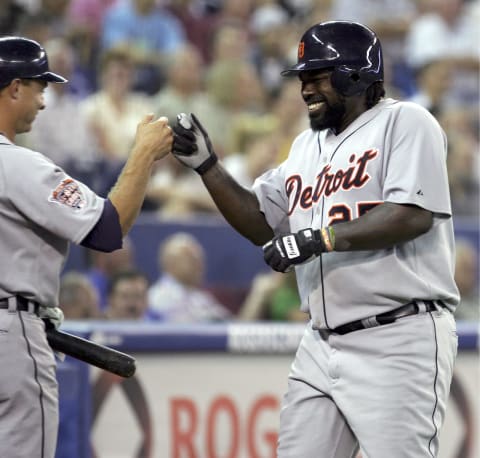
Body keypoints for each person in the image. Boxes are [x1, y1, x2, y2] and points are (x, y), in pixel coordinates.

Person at [172, 21, 459, 457]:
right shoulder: (306, 146)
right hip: (321, 341)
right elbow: (261, 223)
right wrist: (208, 166)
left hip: (397, 335)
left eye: (318, 76)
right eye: (303, 77)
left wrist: (319, 239)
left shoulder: (406, 121)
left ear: (356, 75)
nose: (305, 88)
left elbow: (412, 214)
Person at [0, 36, 172, 458]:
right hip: (11, 331)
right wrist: (143, 154)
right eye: (39, 87)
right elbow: (106, 231)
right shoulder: (17, 163)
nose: (44, 100)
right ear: (14, 87)